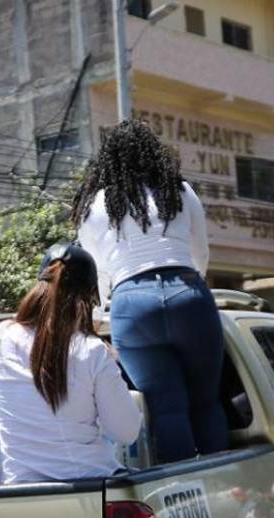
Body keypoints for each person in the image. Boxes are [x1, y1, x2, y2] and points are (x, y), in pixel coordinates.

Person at [73, 119, 228, 464]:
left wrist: (96, 318)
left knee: (165, 409)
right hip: (187, 292)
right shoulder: (180, 190)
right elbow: (200, 252)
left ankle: (182, 485)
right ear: (154, 151)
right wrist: (191, 289)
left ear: (107, 159)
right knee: (206, 402)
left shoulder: (93, 205)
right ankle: (219, 479)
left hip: (131, 305)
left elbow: (96, 275)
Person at [0, 243, 141, 484]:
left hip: (21, 486)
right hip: (91, 480)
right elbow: (127, 431)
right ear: (88, 298)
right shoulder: (91, 350)